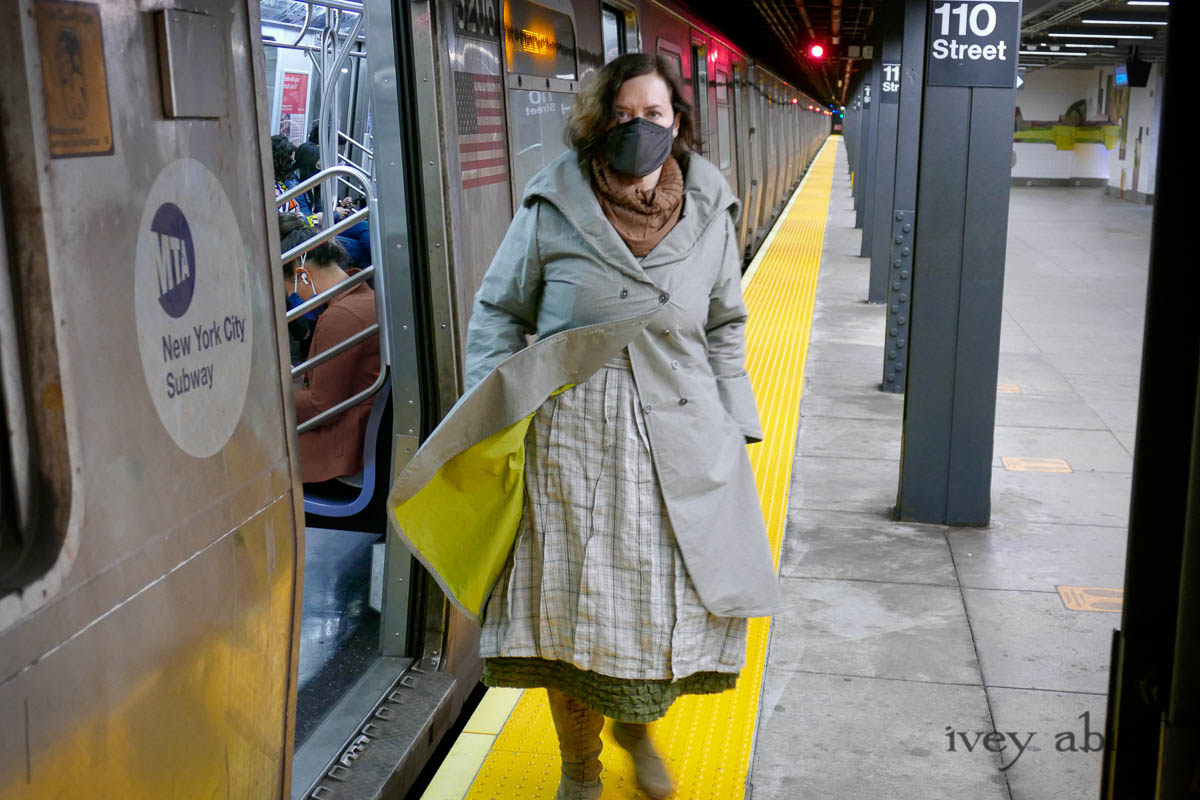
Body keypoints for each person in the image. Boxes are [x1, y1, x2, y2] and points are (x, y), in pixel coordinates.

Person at [399, 53, 779, 799]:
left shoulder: (711, 207)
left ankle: (635, 733)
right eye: (624, 114)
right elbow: (498, 313)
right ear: (600, 119)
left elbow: (726, 325)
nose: (638, 126)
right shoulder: (553, 206)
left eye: (654, 114)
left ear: (680, 122)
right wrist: (499, 410)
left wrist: (737, 426)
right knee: (570, 627)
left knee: (647, 622)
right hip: (567, 442)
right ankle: (579, 767)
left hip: (681, 441)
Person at [278, 213, 381, 484]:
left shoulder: (342, 316)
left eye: (291, 291)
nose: (294, 298)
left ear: (303, 276)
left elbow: (318, 406)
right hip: (354, 434)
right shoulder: (363, 298)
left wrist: (271, 390)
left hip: (340, 451)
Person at [272, 135, 299, 214]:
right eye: (290, 162)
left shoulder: (279, 184)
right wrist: (316, 219)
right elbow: (282, 221)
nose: (292, 167)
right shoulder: (273, 190)